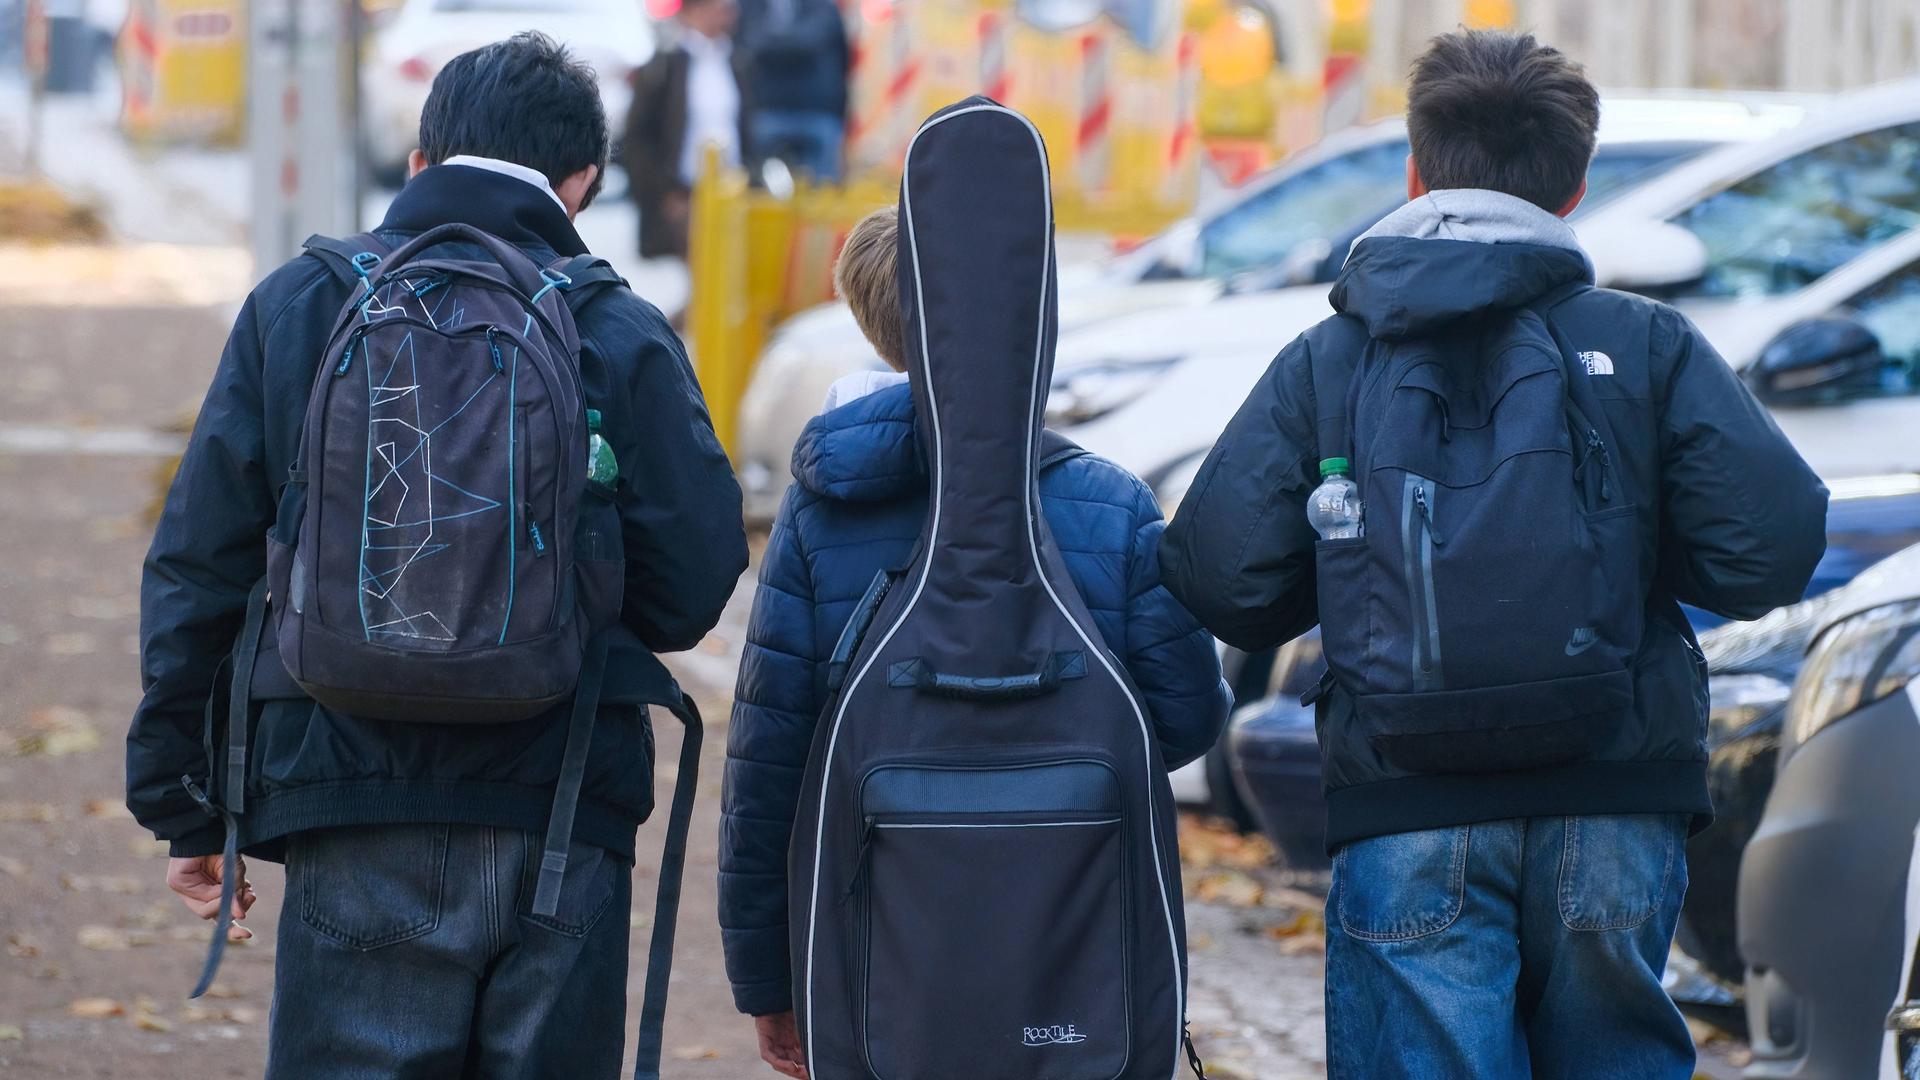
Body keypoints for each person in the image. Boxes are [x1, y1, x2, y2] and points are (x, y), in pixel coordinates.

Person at [1160, 30, 1828, 1080]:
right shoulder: (1647, 344)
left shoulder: (1329, 358)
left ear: (1415, 172)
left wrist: (1344, 565)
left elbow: (1219, 577)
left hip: (1404, 799)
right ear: (1574, 187)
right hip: (1615, 788)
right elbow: (1772, 552)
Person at [127, 34, 747, 1077]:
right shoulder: (616, 327)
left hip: (347, 793)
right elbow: (692, 582)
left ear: (421, 161)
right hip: (559, 807)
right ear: (581, 183)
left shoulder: (303, 304)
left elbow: (201, 561)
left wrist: (184, 800)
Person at [718, 207, 1232, 1079]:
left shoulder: (822, 515)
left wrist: (768, 979)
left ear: (870, 323)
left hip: (882, 953)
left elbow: (773, 762)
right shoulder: (1109, 504)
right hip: (1076, 954)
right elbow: (1181, 721)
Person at [625, 0, 752, 260]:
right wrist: (663, 195)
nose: (729, 13)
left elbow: (745, 127)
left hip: (731, 192)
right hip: (682, 194)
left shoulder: (735, 60)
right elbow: (638, 136)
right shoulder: (665, 64)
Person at [737, 0, 848, 182]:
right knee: (762, 193)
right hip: (766, 110)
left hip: (817, 112)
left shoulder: (823, 7)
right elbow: (747, 41)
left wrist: (771, 42)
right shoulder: (749, 5)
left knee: (824, 195)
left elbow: (816, 42)